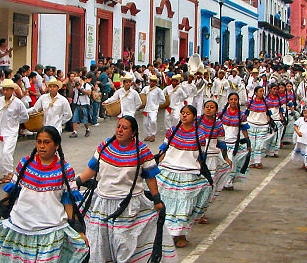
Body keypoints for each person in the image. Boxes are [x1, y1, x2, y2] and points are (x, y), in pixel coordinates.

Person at [0, 126, 89, 262]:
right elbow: (11, 194)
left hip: (50, 230)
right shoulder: (25, 164)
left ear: (57, 145)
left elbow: (68, 203)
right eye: (39, 142)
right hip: (20, 225)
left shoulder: (66, 170)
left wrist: (78, 231)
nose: (41, 146)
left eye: (47, 142)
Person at [78, 116, 177, 262]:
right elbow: (92, 169)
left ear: (133, 132)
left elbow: (150, 177)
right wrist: (76, 182)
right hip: (103, 204)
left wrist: (157, 199)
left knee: (124, 244)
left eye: (124, 128)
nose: (120, 130)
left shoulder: (142, 151)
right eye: (118, 126)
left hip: (129, 206)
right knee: (100, 245)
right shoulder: (104, 146)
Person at [156, 105, 212, 247]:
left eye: (187, 114)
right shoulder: (172, 132)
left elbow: (201, 156)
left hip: (188, 173)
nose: (184, 116)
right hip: (169, 171)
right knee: (168, 205)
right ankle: (170, 236)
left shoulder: (199, 135)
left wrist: (200, 171)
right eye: (182, 113)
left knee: (185, 205)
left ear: (194, 117)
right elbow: (163, 150)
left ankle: (181, 235)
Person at [198, 100, 231, 216]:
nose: (209, 109)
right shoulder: (197, 121)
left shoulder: (218, 125)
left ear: (216, 110)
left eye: (212, 107)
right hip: (196, 157)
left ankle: (202, 211)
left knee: (209, 185)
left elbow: (222, 143)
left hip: (212, 158)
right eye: (207, 107)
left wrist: (226, 158)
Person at [219, 93, 251, 190]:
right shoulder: (222, 113)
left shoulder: (241, 115)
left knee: (231, 163)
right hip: (223, 143)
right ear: (228, 101)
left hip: (234, 143)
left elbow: (244, 129)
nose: (233, 101)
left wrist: (248, 142)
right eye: (231, 99)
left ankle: (228, 183)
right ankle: (223, 182)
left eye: (235, 99)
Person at [245, 86, 274, 169]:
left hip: (263, 126)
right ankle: (252, 162)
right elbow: (246, 114)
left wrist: (271, 124)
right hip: (251, 125)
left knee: (260, 145)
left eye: (263, 91)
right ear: (255, 93)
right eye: (260, 91)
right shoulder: (250, 102)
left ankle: (258, 161)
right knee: (252, 144)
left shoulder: (266, 103)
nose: (262, 93)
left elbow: (268, 114)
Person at [141, 75, 166, 142]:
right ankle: (148, 135)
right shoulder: (145, 88)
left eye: (154, 81)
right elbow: (142, 96)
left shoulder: (158, 90)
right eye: (151, 81)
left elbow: (163, 100)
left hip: (153, 109)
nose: (152, 82)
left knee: (153, 121)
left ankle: (153, 134)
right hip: (146, 108)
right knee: (145, 123)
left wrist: (156, 104)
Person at [265, 83, 285, 157]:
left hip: (278, 120)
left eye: (277, 89)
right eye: (274, 89)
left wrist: (282, 120)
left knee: (277, 137)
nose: (276, 90)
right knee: (269, 137)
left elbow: (280, 110)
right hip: (270, 120)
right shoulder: (266, 99)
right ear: (270, 89)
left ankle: (274, 152)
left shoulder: (279, 99)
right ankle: (268, 152)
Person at [292, 107, 307, 171]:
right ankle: (305, 163)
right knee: (304, 151)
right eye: (305, 113)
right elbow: (295, 125)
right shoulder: (300, 119)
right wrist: (298, 132)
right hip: (302, 139)